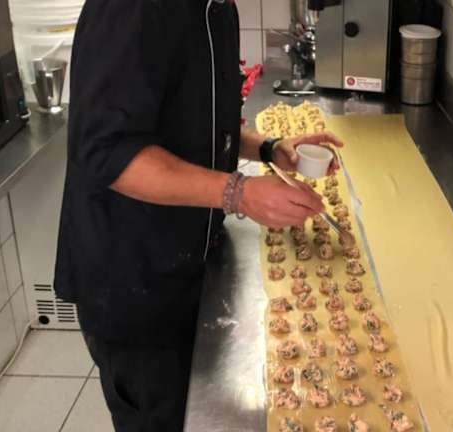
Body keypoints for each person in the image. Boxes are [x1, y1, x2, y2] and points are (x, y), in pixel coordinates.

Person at [53, 1, 343, 431]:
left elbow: (204, 125)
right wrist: (238, 193)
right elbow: (105, 152)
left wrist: (268, 148)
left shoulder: (219, 9)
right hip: (134, 284)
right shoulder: (132, 9)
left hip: (191, 265)